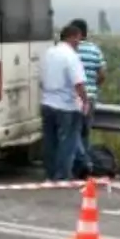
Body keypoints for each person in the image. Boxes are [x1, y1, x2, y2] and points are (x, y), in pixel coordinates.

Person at [39, 23, 89, 181]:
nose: (79, 43)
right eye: (79, 39)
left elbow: (41, 78)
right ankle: (61, 177)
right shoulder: (71, 56)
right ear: (73, 37)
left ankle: (49, 174)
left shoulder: (49, 53)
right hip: (67, 106)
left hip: (47, 102)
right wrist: (85, 101)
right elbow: (79, 83)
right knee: (67, 143)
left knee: (50, 141)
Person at [69, 18, 106, 175]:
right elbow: (102, 74)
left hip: (73, 97)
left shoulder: (70, 49)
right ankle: (82, 168)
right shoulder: (95, 50)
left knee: (72, 132)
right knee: (85, 132)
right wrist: (93, 86)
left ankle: (82, 162)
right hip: (90, 97)